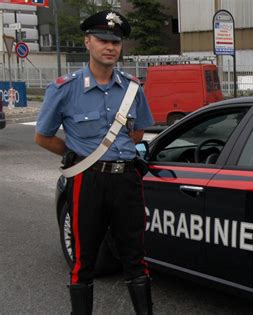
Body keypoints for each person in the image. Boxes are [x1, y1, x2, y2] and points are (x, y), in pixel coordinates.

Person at [34, 10, 154, 315]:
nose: (110, 47)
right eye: (103, 40)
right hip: (88, 181)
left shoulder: (132, 88)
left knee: (135, 258)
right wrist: (77, 154)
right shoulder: (65, 88)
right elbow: (43, 136)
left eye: (116, 41)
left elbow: (138, 131)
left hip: (126, 181)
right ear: (87, 42)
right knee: (84, 259)